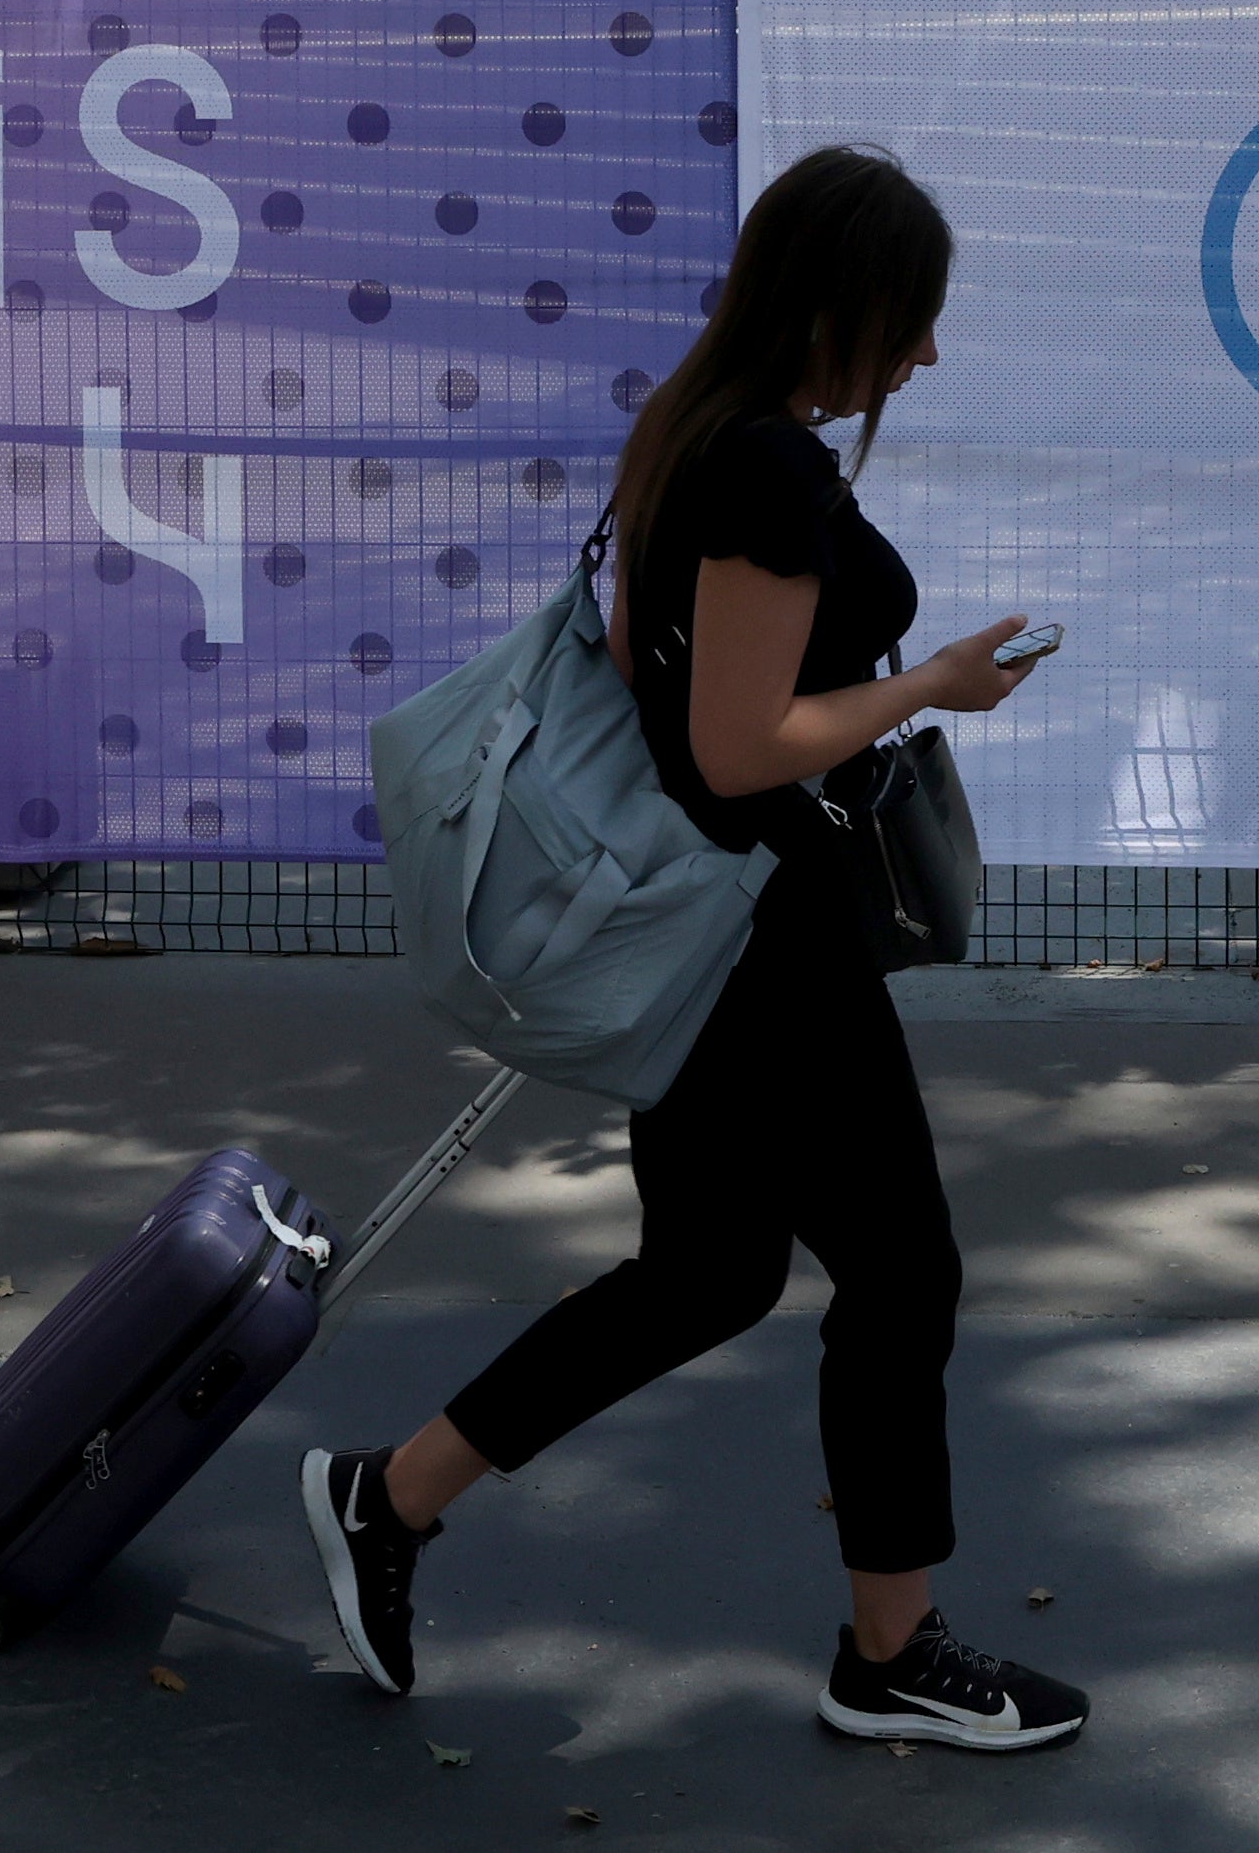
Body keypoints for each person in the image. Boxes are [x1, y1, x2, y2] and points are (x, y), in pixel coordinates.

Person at [301, 143, 1086, 1751]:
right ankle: (891, 1651)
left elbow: (634, 663)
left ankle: (391, 1495)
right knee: (903, 1271)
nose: (926, 356)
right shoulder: (769, 472)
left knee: (712, 1269)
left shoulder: (692, 425)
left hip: (704, 931)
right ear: (843, 308)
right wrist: (926, 684)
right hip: (756, 936)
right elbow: (737, 747)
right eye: (912, 322)